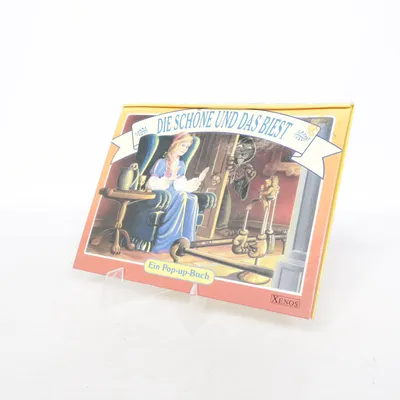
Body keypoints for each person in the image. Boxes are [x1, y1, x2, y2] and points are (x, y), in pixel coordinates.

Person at [146, 132, 209, 253]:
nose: (185, 149)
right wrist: (169, 177)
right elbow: (151, 183)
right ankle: (168, 242)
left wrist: (196, 181)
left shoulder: (181, 164)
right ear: (175, 144)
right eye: (183, 145)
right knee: (182, 196)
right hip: (163, 192)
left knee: (192, 198)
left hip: (176, 191)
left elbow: (181, 185)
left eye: (187, 147)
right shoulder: (161, 162)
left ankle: (187, 241)